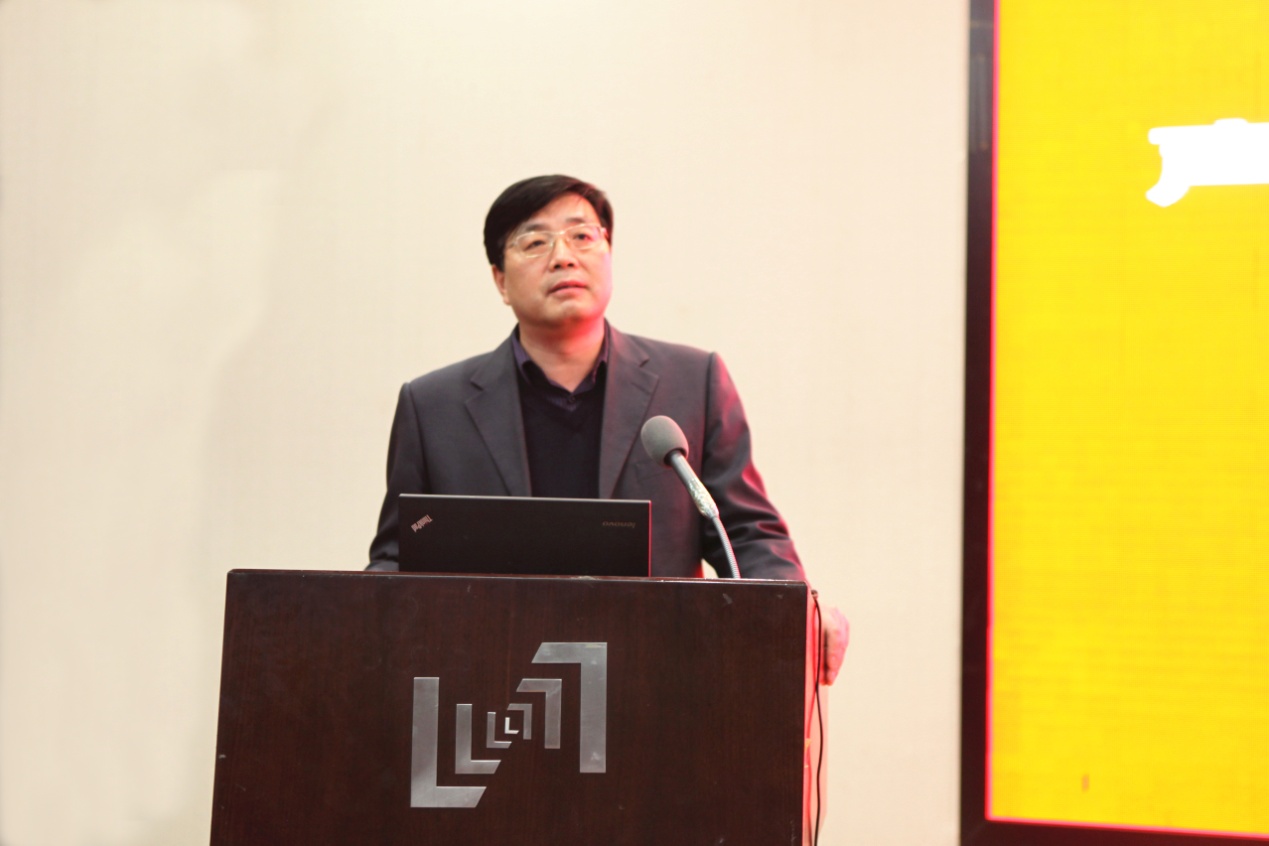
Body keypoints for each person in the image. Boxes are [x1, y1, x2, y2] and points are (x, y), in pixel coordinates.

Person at [368, 174, 847, 681]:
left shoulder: (692, 382)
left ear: (609, 254)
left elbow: (746, 534)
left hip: (657, 677)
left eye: (582, 236)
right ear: (500, 281)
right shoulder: (434, 406)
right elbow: (398, 560)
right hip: (490, 684)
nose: (563, 257)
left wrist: (798, 610)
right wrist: (360, 620)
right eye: (534, 242)